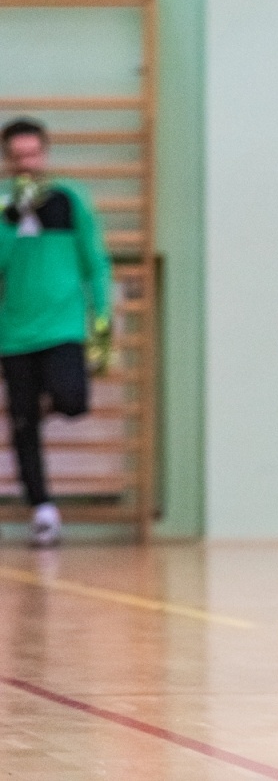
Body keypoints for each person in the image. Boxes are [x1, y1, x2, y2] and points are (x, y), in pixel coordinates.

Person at [0, 118, 113, 548]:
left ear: (44, 154)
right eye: (18, 157)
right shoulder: (2, 206)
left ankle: (43, 401)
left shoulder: (69, 198)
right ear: (8, 160)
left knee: (72, 399)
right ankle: (43, 510)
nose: (27, 163)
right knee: (23, 425)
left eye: (33, 154)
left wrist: (102, 316)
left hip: (63, 325)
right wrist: (13, 219)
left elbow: (94, 260)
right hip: (14, 332)